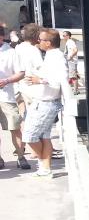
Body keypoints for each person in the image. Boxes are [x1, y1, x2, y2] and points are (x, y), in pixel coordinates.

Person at [22, 28, 65, 177]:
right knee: (44, 136)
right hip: (45, 101)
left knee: (29, 136)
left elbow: (58, 79)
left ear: (48, 43)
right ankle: (45, 169)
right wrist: (38, 78)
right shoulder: (52, 56)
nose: (38, 42)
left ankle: (42, 162)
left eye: (40, 39)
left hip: (46, 103)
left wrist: (39, 80)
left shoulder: (56, 57)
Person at [0, 24, 30, 169]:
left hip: (6, 96)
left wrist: (6, 80)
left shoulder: (11, 52)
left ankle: (20, 156)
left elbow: (21, 73)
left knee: (15, 127)